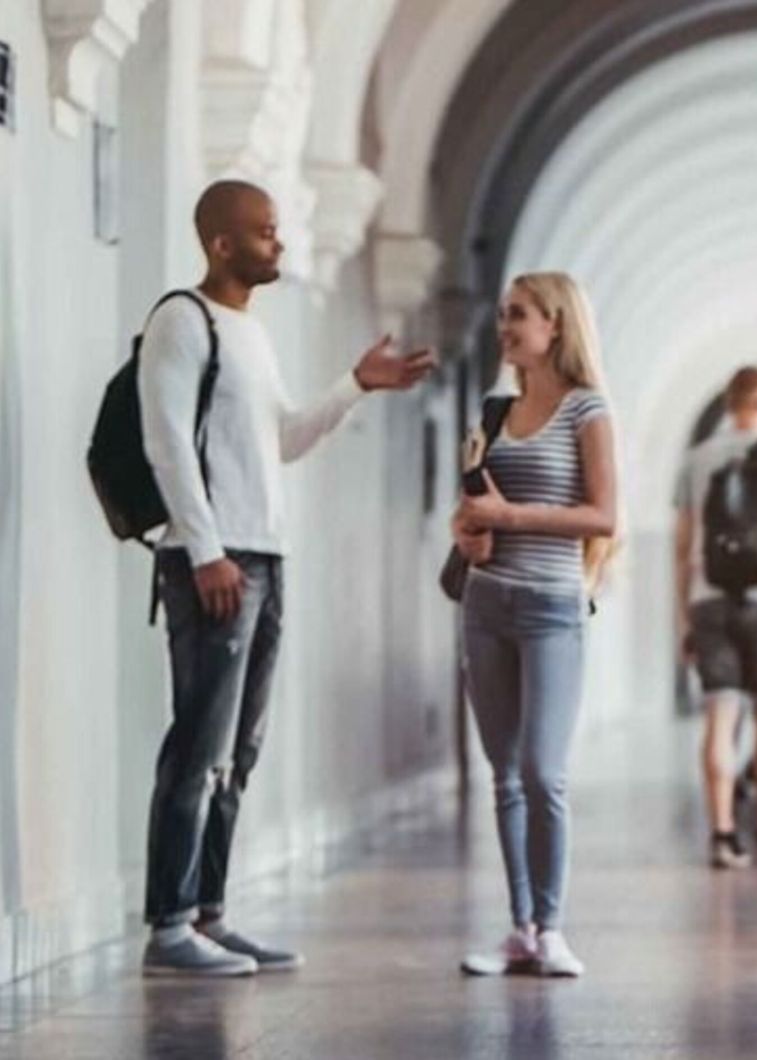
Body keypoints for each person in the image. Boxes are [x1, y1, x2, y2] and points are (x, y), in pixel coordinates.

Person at [138, 180, 435, 977]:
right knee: (198, 743)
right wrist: (204, 552)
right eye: (265, 233)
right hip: (215, 559)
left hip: (265, 556)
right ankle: (168, 926)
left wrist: (355, 386)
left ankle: (208, 912)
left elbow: (287, 440)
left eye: (278, 230)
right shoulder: (182, 321)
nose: (280, 243)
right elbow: (166, 443)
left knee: (241, 748)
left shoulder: (252, 337)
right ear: (221, 244)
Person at [451, 272, 618, 979]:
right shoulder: (491, 412)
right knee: (504, 776)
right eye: (501, 314)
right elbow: (468, 512)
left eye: (518, 314)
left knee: (542, 772)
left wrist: (511, 518)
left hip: (553, 606)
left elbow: (605, 517)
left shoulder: (588, 411)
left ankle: (551, 927)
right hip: (485, 604)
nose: (505, 327)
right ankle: (518, 927)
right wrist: (470, 535)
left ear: (556, 325)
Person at [674, 366, 757, 869]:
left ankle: (723, 834)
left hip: (709, 596)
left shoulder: (697, 458)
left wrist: (683, 616)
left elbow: (683, 542)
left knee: (719, 716)